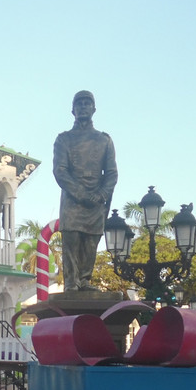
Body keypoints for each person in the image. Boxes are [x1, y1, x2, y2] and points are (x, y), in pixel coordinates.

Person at [53, 90, 118, 291]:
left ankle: (85, 280)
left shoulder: (104, 140)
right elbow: (60, 171)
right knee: (71, 241)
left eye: (87, 103)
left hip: (96, 201)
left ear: (94, 109)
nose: (83, 106)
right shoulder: (63, 139)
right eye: (79, 103)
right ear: (73, 110)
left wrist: (101, 195)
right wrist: (81, 195)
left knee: (91, 243)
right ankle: (71, 284)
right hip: (72, 200)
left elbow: (111, 173)